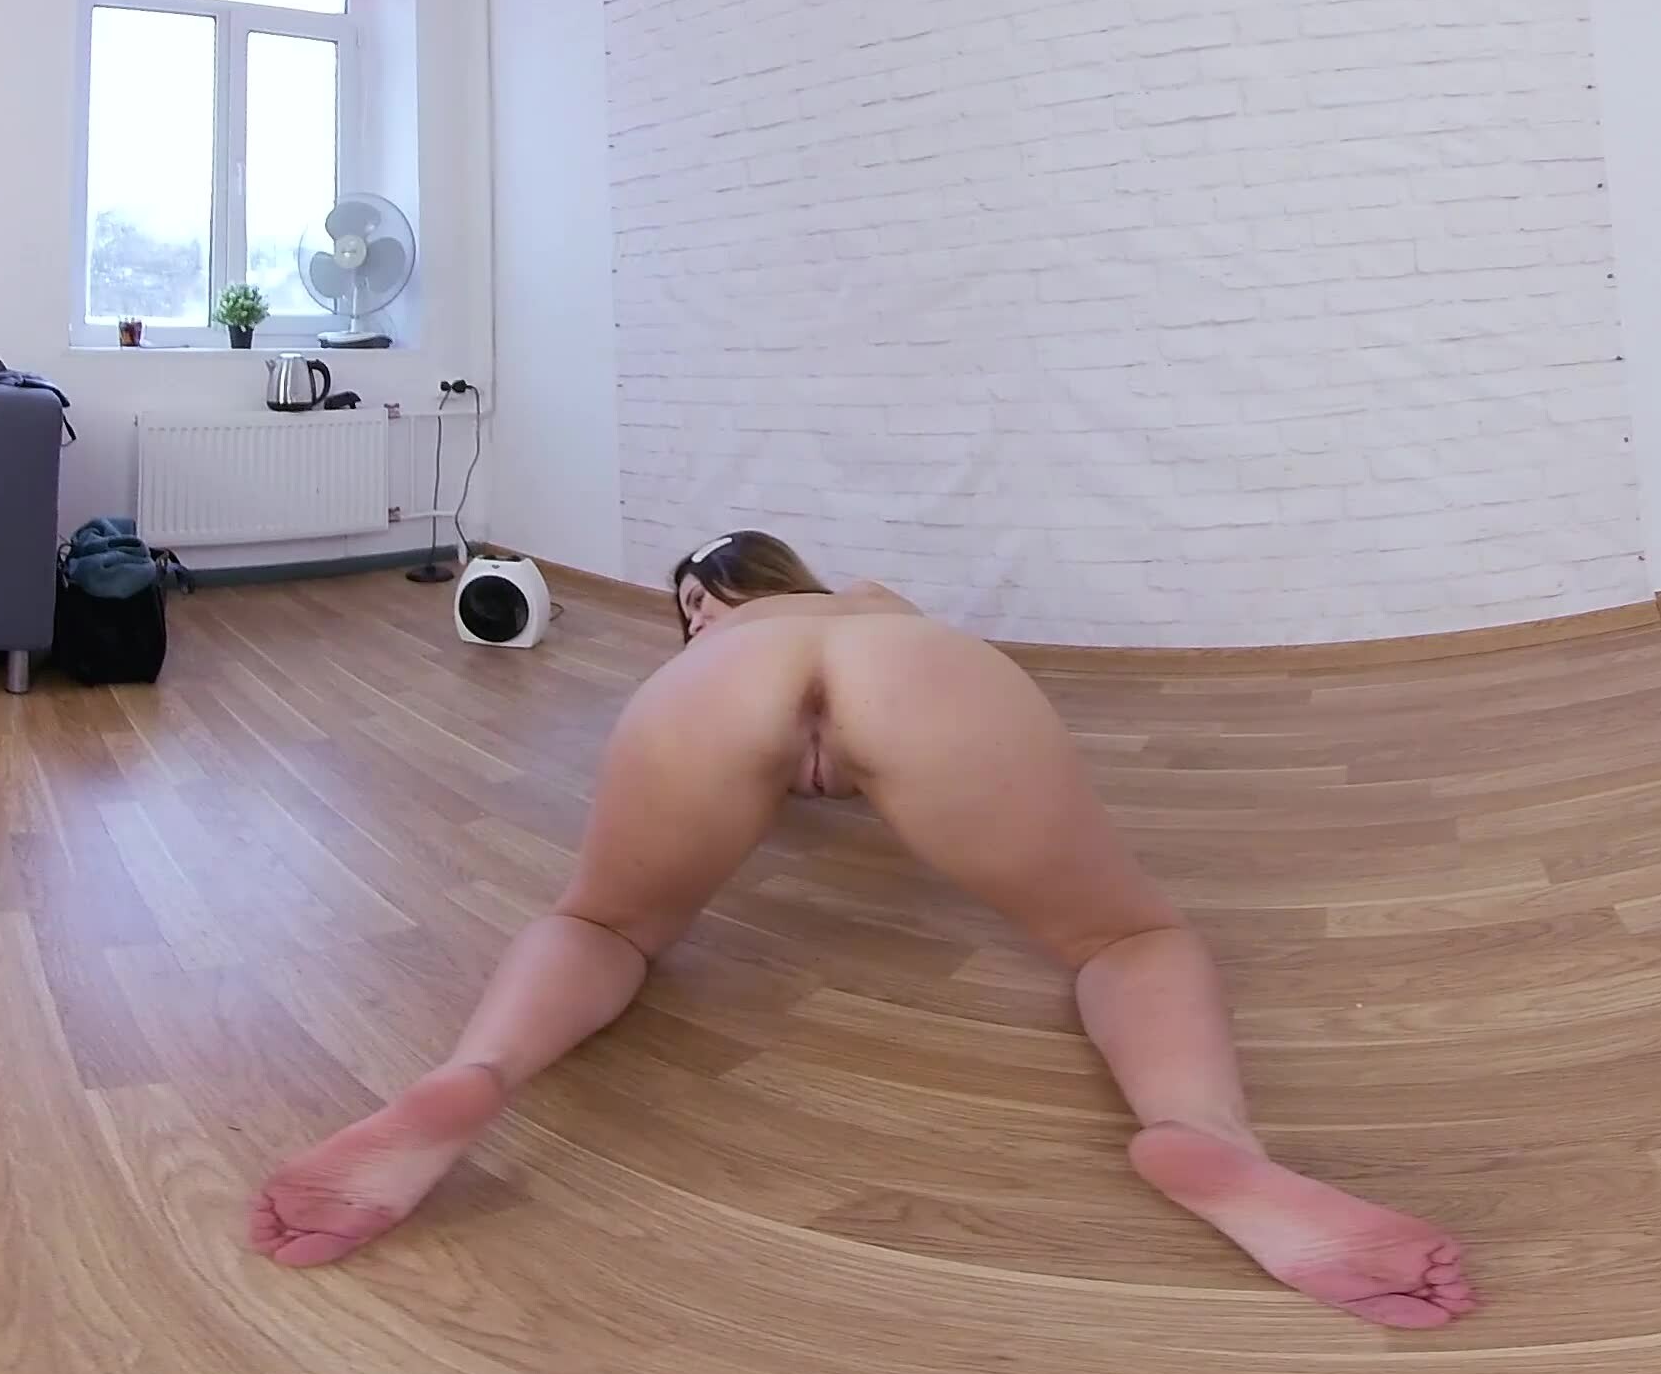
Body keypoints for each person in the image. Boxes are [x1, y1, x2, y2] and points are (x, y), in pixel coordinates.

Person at [246, 531, 1474, 1329]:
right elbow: (879, 720)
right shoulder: (874, 604)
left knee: (604, 923)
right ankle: (1204, 1135)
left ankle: (476, 1071)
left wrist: (759, 724)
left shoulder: (720, 645)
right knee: (1122, 938)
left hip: (717, 711)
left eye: (689, 601)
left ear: (709, 603)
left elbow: (755, 734)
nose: (689, 610)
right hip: (919, 679)